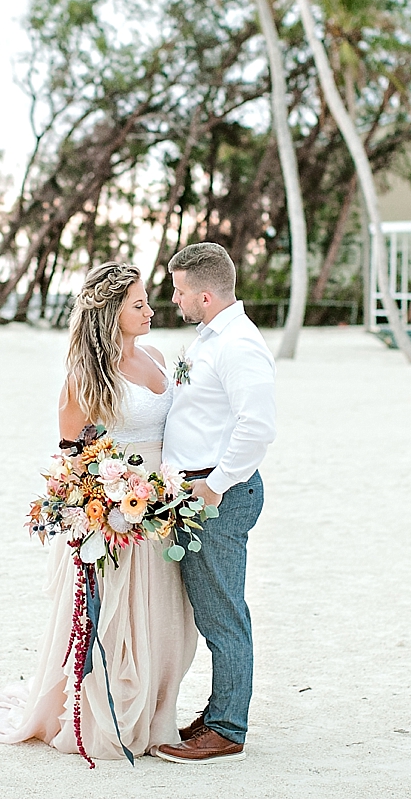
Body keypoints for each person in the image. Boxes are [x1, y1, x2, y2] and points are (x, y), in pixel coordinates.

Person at [0, 262, 198, 761]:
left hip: (164, 508)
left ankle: (158, 712)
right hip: (117, 517)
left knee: (166, 617)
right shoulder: (84, 379)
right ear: (112, 312)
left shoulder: (159, 357)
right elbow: (72, 456)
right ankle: (108, 715)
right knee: (116, 620)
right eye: (138, 304)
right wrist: (106, 508)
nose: (149, 310)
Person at [153, 242, 275, 765]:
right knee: (210, 612)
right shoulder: (205, 339)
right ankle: (218, 710)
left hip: (218, 497)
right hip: (194, 492)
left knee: (224, 615)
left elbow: (258, 426)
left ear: (205, 294)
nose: (174, 300)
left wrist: (216, 483)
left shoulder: (239, 346)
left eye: (180, 292)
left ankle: (227, 728)